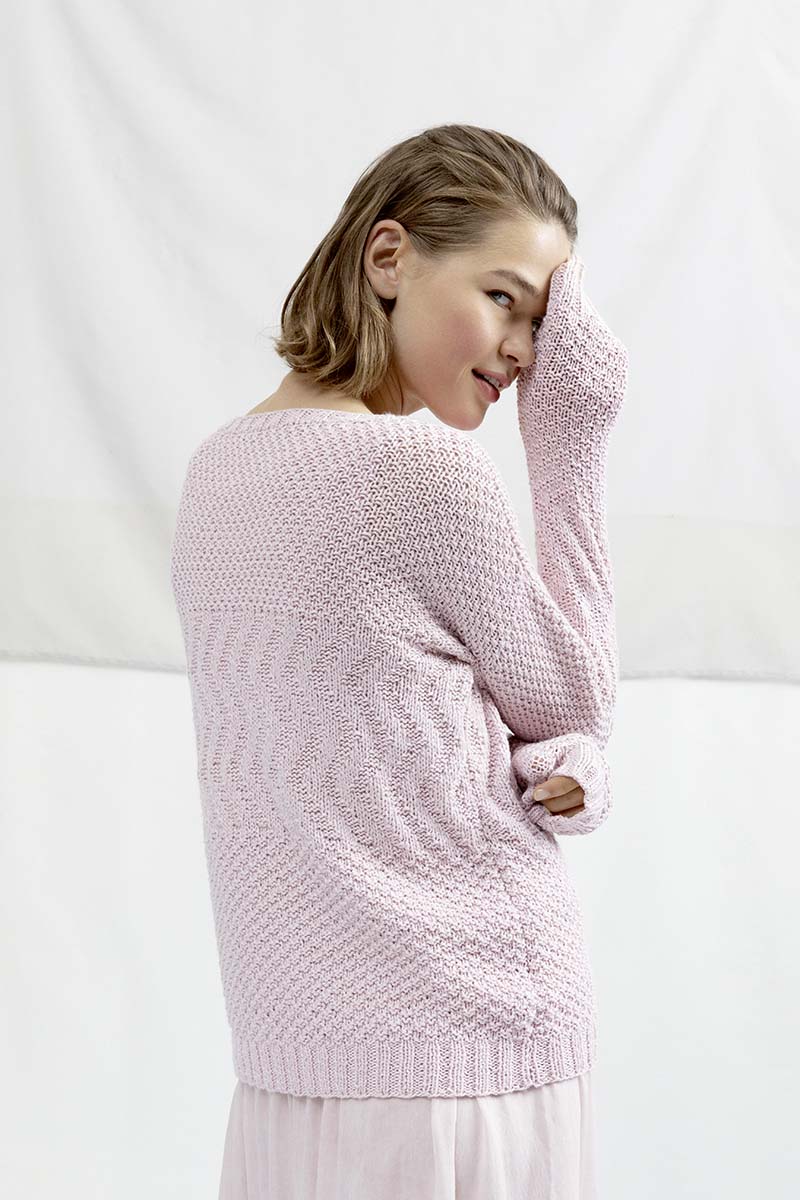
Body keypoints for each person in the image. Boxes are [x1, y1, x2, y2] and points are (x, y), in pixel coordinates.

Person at [170, 122, 629, 1198]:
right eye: (504, 297)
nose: (527, 351)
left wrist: (545, 756)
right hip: (463, 1044)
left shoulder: (215, 471)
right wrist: (572, 441)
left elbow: (366, 720)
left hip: (294, 1054)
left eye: (544, 322)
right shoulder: (421, 474)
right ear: (389, 258)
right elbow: (576, 698)